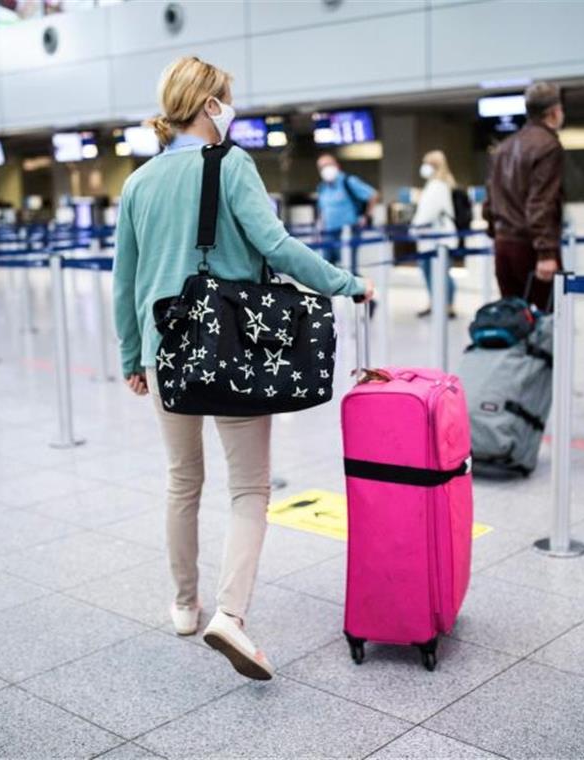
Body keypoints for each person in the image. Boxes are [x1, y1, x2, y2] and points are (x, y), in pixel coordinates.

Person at [112, 57, 374, 681]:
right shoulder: (231, 164)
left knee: (182, 481)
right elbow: (275, 246)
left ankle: (183, 605)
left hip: (166, 350)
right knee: (249, 488)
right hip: (235, 348)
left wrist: (132, 355)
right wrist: (347, 283)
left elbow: (124, 281)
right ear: (209, 105)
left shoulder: (139, 182)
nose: (232, 107)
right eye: (228, 99)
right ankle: (229, 613)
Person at [485, 81, 565, 312]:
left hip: (504, 246)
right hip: (530, 247)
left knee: (514, 320)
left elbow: (490, 201)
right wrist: (546, 252)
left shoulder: (503, 147)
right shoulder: (548, 146)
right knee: (548, 320)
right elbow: (541, 202)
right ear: (553, 112)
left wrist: (497, 233)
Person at [410, 150, 460, 318]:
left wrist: (414, 228)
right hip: (431, 239)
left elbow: (428, 213)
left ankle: (448, 306)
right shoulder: (434, 185)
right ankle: (436, 303)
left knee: (441, 273)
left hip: (437, 239)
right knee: (430, 273)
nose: (424, 167)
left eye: (427, 164)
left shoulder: (437, 186)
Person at [315, 154, 379, 270]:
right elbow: (322, 209)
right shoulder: (322, 187)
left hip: (348, 231)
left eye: (328, 165)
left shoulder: (348, 181)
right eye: (322, 167)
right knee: (328, 268)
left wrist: (366, 216)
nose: (326, 169)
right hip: (328, 233)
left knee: (347, 267)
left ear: (337, 166)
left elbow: (372, 195)